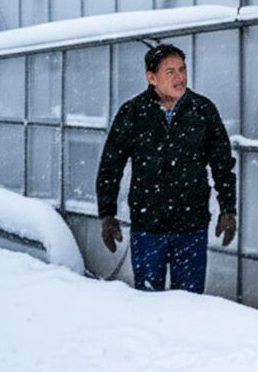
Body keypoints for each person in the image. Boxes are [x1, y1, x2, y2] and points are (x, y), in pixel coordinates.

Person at [96, 43, 237, 293]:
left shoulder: (203, 110)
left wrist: (228, 208)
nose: (179, 77)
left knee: (190, 300)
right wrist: (107, 214)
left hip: (191, 227)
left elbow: (222, 163)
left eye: (182, 69)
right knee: (148, 300)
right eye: (170, 71)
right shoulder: (133, 112)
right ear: (151, 78)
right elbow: (111, 165)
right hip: (148, 227)